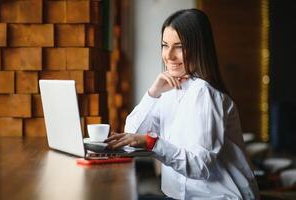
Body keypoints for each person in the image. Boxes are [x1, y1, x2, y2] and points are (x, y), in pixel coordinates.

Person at [105, 8, 259, 200]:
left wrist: (151, 142)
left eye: (179, 46)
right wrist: (152, 93)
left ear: (199, 48)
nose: (169, 56)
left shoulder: (205, 93)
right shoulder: (169, 90)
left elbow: (200, 167)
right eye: (164, 45)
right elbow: (131, 135)